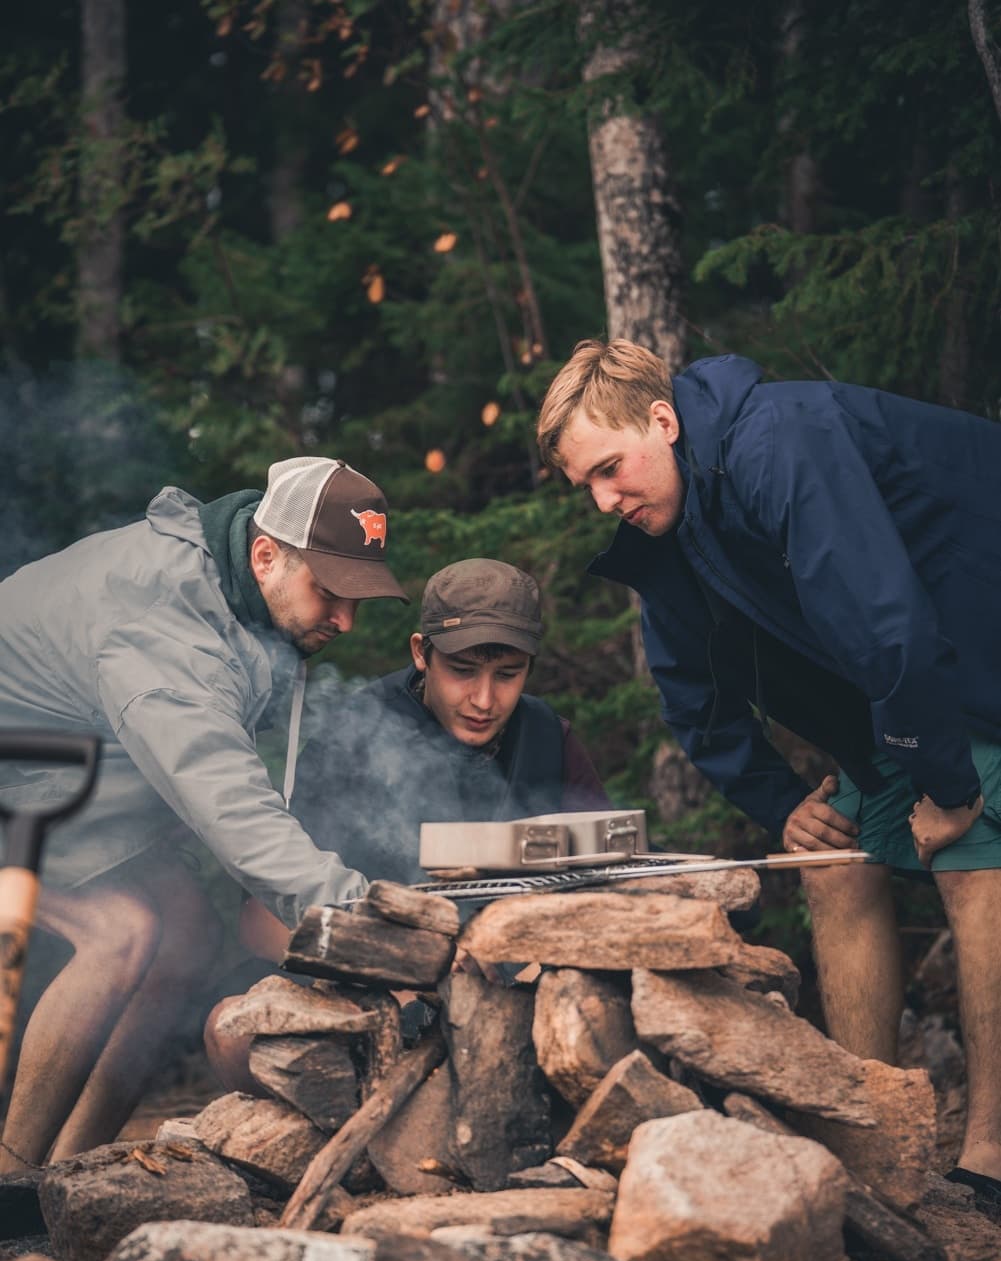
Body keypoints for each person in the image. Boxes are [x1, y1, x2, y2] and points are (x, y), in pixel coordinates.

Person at [537, 336, 1001, 1206]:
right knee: (830, 865)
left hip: (975, 659)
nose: (604, 500)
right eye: (585, 487)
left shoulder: (775, 438)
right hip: (900, 691)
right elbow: (691, 699)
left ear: (663, 422)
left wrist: (945, 786)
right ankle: (869, 1133)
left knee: (970, 857)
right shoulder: (666, 528)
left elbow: (884, 617)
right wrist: (782, 801)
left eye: (609, 468)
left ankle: (989, 1154)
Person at [0, 455, 407, 1170]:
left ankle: (67, 1170)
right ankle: (11, 1175)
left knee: (185, 931)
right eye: (331, 591)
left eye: (360, 598)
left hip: (44, 773)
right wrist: (370, 922)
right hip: (23, 775)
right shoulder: (163, 620)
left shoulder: (235, 597)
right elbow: (232, 812)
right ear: (264, 554)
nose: (345, 618)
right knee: (121, 931)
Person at [205, 556, 610, 1090]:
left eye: (507, 675)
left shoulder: (547, 741)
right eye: (462, 671)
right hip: (369, 994)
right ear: (422, 653)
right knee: (230, 1031)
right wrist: (396, 969)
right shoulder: (356, 737)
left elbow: (609, 885)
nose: (484, 700)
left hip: (517, 997)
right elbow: (261, 921)